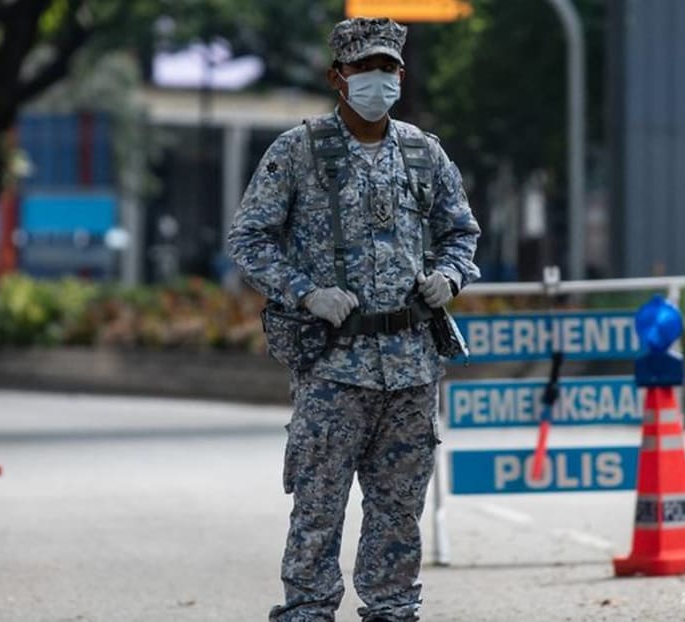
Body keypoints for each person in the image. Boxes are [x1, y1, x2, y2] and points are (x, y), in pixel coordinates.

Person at [228, 16, 480, 622]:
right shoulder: (298, 151)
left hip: (412, 366)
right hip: (333, 366)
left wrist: (449, 275)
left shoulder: (424, 153)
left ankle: (392, 608)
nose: (378, 78)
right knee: (318, 504)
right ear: (336, 76)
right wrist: (305, 291)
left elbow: (461, 233)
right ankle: (310, 609)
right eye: (365, 67)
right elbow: (250, 239)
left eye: (388, 67)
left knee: (398, 508)